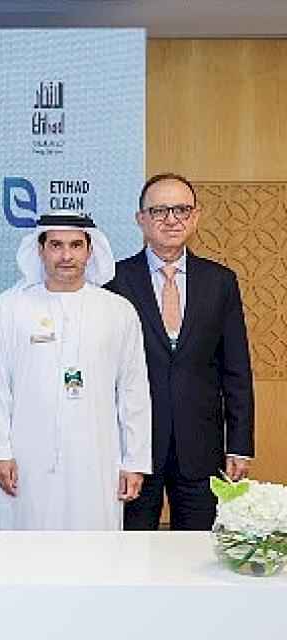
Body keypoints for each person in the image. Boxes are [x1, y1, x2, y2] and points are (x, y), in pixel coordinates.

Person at [106, 173, 254, 531]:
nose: (171, 219)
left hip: (201, 449)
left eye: (182, 210)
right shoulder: (114, 281)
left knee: (199, 550)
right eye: (159, 211)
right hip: (134, 451)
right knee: (130, 550)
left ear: (196, 216)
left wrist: (239, 444)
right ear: (141, 219)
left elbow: (236, 369)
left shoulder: (220, 281)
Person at [0, 211, 151, 530]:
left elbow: (134, 392)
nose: (66, 256)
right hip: (26, 458)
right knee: (25, 541)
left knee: (92, 543)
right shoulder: (11, 308)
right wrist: (0, 452)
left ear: (90, 251)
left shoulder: (118, 311)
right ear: (40, 250)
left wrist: (135, 461)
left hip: (97, 458)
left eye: (75, 245)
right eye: (56, 245)